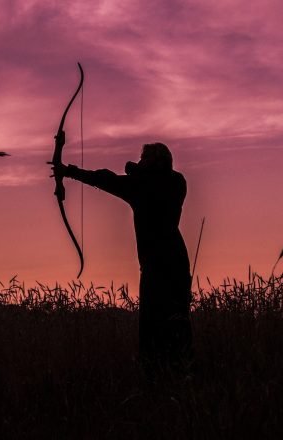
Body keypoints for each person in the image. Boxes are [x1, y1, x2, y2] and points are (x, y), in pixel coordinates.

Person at [53, 142, 192, 369]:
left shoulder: (143, 185)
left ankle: (154, 372)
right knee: (178, 320)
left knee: (153, 323)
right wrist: (71, 171)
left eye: (143, 158)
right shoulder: (176, 182)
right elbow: (112, 179)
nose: (140, 162)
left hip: (156, 266)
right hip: (177, 262)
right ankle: (181, 369)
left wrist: (68, 171)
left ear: (153, 163)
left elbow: (108, 179)